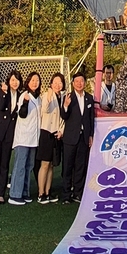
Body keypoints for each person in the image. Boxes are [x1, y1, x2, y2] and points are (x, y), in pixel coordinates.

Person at [60, 70, 95, 203]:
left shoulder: (89, 98)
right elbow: (64, 116)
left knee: (81, 166)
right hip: (70, 137)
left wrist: (90, 135)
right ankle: (66, 195)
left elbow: (91, 119)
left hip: (84, 137)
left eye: (81, 81)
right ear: (73, 83)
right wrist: (66, 106)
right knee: (68, 166)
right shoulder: (68, 97)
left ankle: (78, 193)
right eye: (77, 81)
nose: (79, 84)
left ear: (85, 83)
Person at [0, 68, 21, 203]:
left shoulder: (21, 95)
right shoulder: (3, 92)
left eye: (17, 80)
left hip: (9, 135)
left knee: (4, 164)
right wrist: (4, 92)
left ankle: (1, 193)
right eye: (12, 80)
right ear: (8, 81)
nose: (14, 83)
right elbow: (0, 107)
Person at [8, 72, 42, 205]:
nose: (35, 82)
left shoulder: (38, 98)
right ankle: (14, 194)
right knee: (20, 165)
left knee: (29, 165)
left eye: (37, 80)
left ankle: (25, 192)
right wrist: (26, 102)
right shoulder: (24, 95)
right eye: (32, 80)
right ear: (28, 82)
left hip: (34, 138)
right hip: (23, 137)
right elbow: (22, 114)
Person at [37, 72, 64, 204]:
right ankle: (41, 193)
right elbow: (45, 110)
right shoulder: (47, 96)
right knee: (45, 164)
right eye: (55, 82)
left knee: (52, 165)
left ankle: (48, 192)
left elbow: (64, 117)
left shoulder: (63, 97)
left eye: (60, 82)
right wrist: (48, 95)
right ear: (51, 83)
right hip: (46, 132)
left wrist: (61, 131)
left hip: (56, 134)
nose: (58, 85)